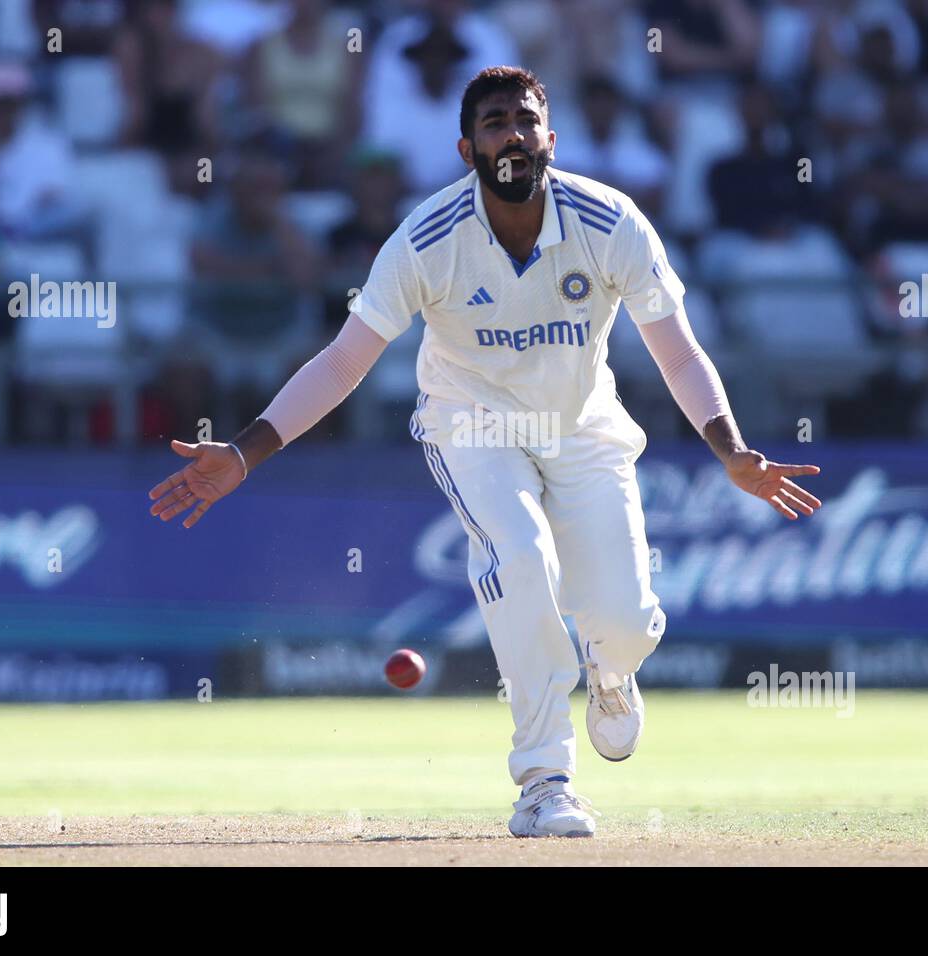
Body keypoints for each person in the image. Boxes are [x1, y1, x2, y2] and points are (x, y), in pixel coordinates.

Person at [147, 67, 821, 837]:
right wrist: (244, 452)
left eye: (526, 119)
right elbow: (342, 363)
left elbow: (678, 352)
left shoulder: (612, 221)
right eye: (495, 122)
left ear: (549, 140)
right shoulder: (426, 240)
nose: (512, 133)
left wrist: (729, 448)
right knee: (522, 561)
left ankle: (611, 672)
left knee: (627, 619)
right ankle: (545, 780)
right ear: (468, 148)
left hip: (583, 426)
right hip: (472, 427)